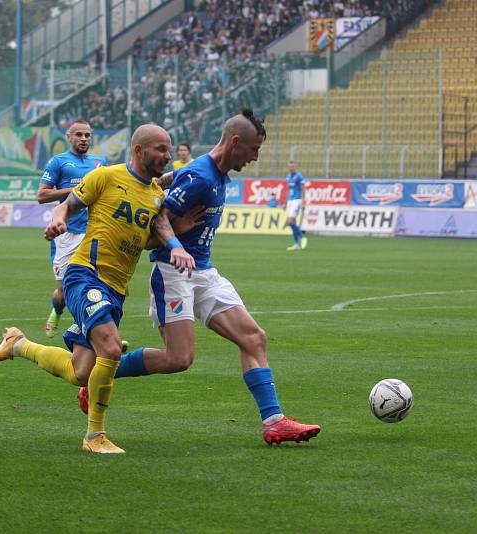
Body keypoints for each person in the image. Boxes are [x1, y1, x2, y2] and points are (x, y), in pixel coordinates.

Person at [82, 108, 321, 446]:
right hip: (173, 271)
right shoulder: (201, 178)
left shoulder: (211, 175)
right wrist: (177, 242)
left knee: (254, 338)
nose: (255, 157)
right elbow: (157, 221)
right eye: (254, 149)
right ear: (235, 141)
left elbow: (165, 186)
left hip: (203, 270)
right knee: (179, 359)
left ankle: (275, 421)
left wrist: (166, 183)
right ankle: (100, 376)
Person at [0, 124, 196, 455]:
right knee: (110, 349)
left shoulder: (155, 195)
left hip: (117, 289)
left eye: (169, 150)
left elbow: (153, 231)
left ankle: (17, 344)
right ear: (139, 151)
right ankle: (94, 435)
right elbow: (65, 205)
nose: (167, 156)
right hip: (85, 274)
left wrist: (176, 243)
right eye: (161, 149)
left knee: (81, 372)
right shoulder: (105, 176)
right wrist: (58, 220)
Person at [38, 120, 108, 338]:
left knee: (99, 285)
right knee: (64, 292)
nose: (84, 139)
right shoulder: (58, 162)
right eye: (79, 135)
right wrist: (76, 190)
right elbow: (42, 195)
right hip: (67, 234)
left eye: (87, 135)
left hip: (94, 232)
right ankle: (57, 312)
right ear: (69, 136)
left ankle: (97, 330)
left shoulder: (100, 162)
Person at [284, 160, 308, 250]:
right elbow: (288, 190)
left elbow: (303, 189)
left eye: (292, 166)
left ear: (295, 167)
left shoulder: (299, 176)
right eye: (289, 166)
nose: (291, 168)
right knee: (292, 223)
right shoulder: (288, 177)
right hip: (290, 201)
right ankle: (296, 244)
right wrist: (285, 202)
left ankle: (303, 237)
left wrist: (303, 201)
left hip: (297, 200)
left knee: (290, 221)